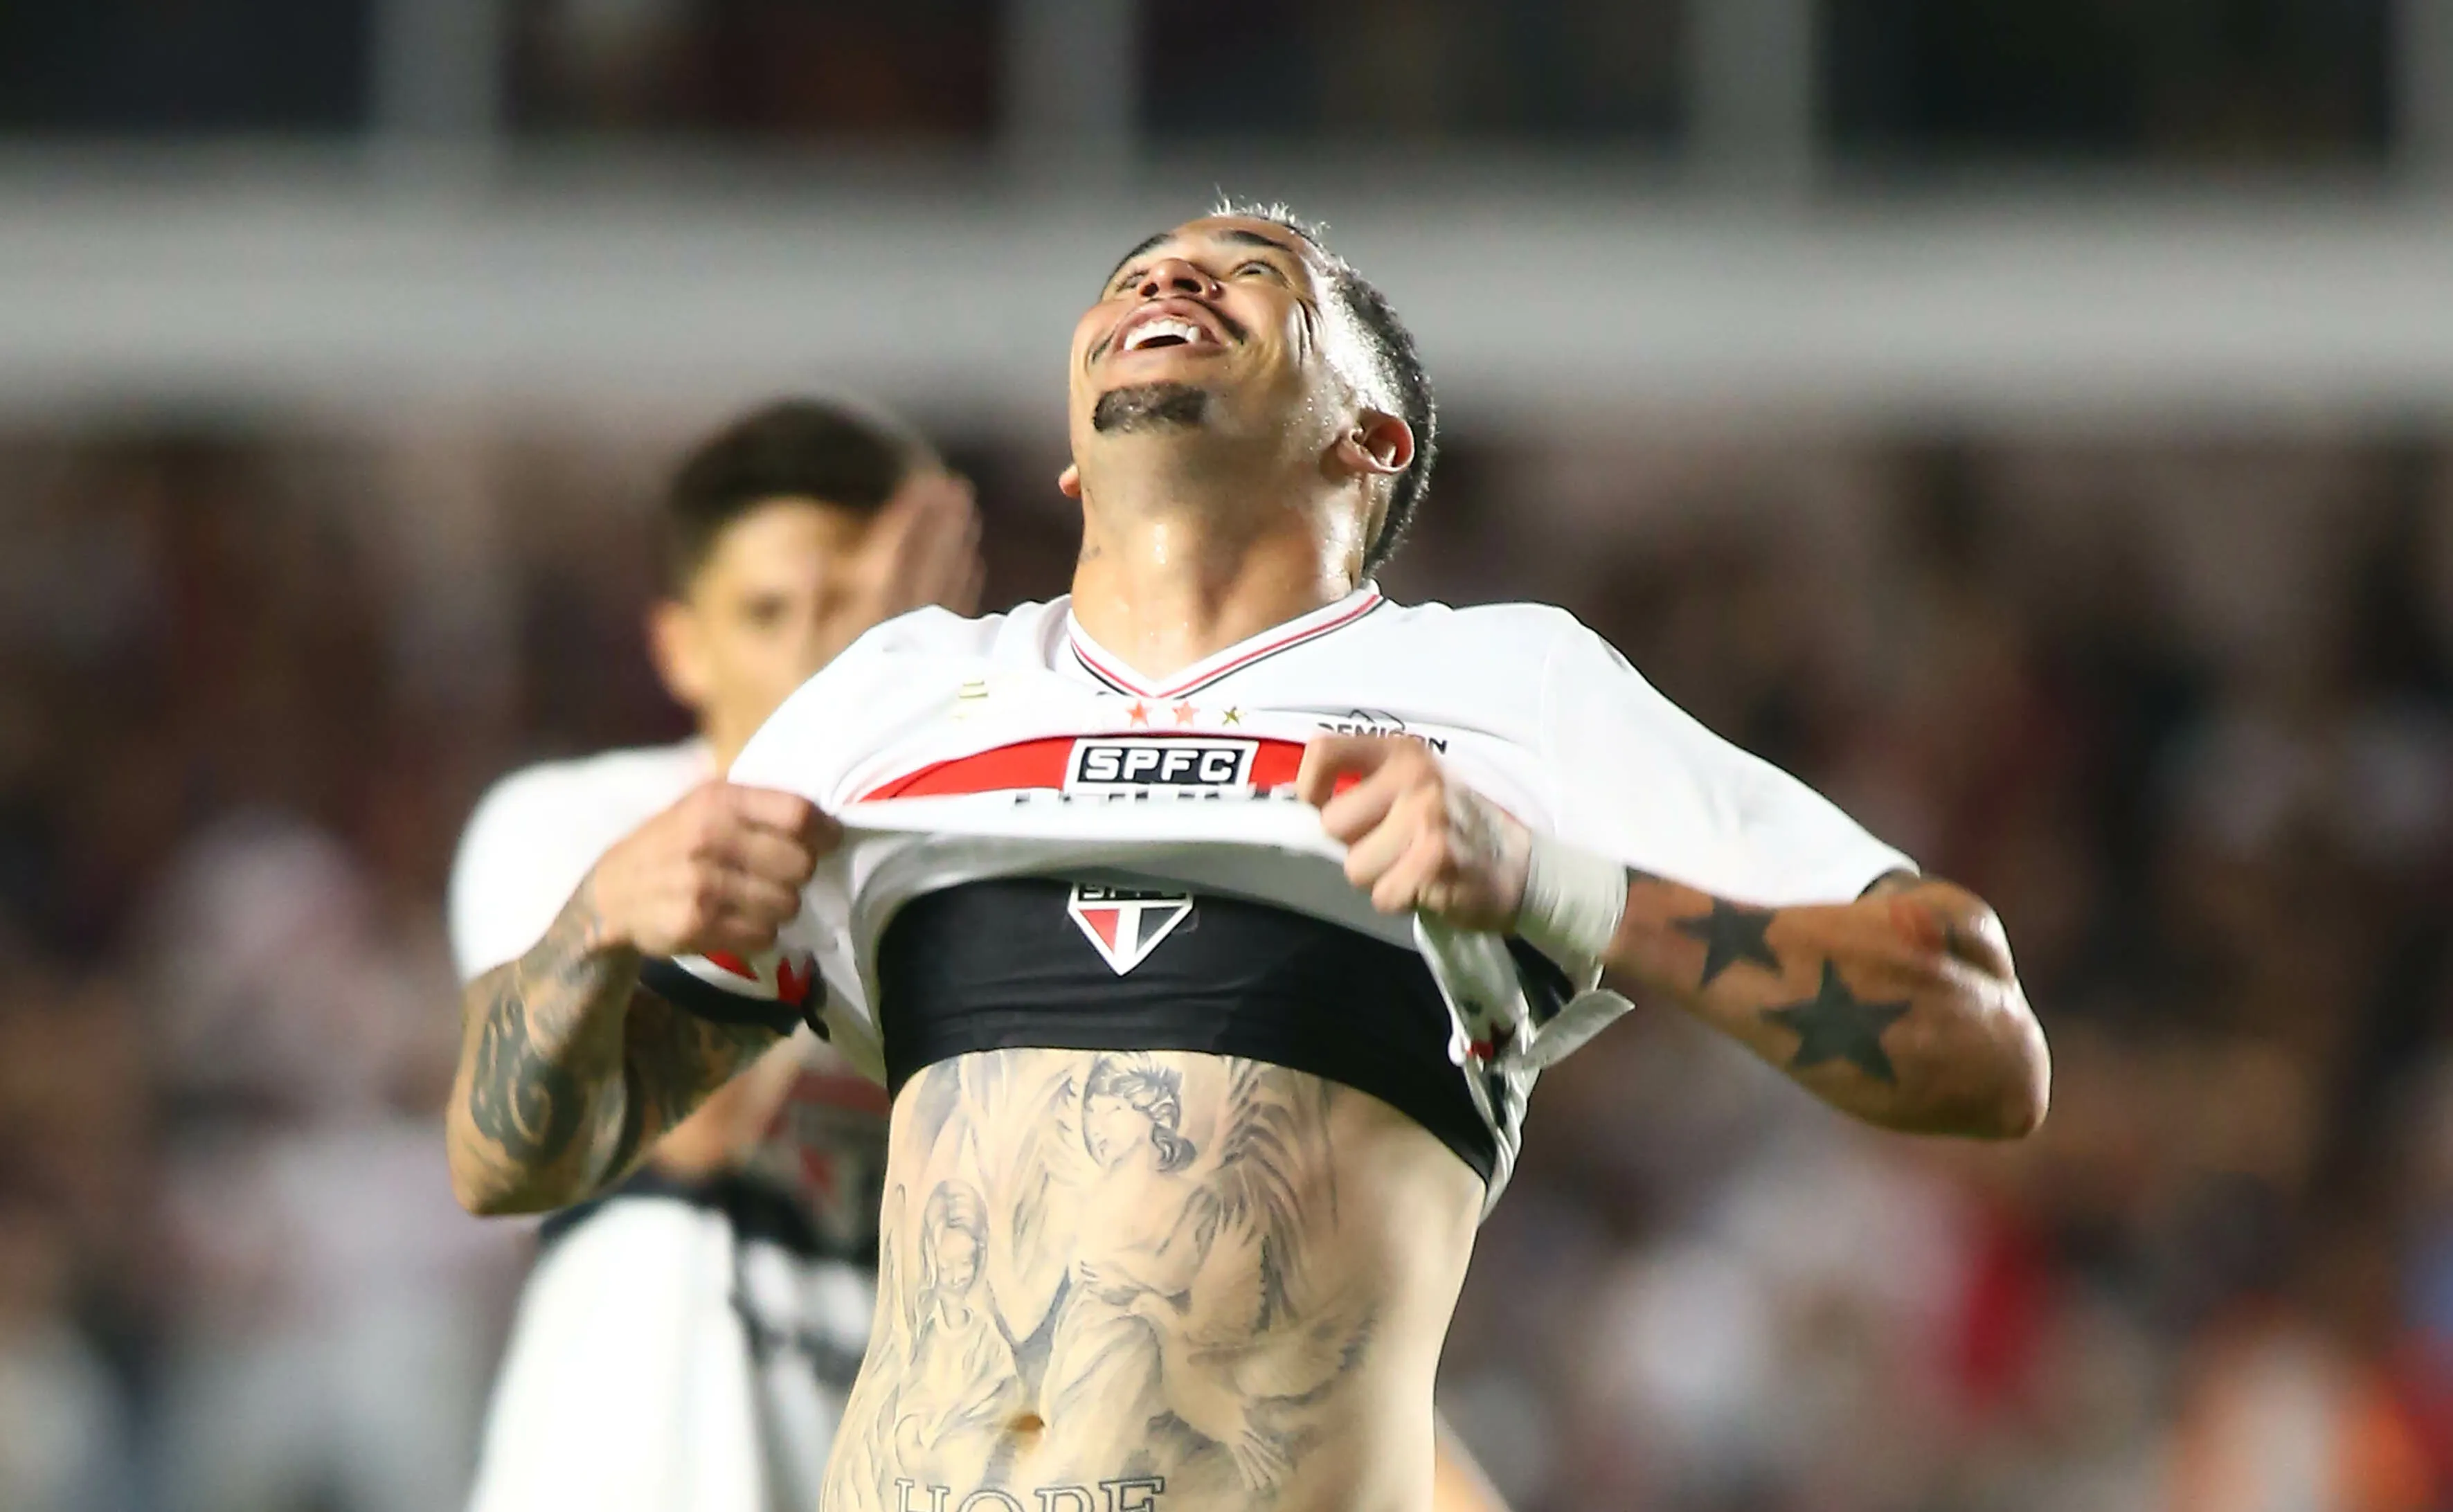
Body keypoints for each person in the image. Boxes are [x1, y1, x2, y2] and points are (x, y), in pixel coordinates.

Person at [445, 204, 2051, 1512]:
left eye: (1249, 273)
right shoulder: (890, 700)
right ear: (1073, 458)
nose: (1169, 274)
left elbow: (1980, 1037)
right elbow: (508, 1158)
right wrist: (597, 925)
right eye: (1137, 272)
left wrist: (1553, 891)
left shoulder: (1513, 692)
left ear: (1374, 435)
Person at [446, 399, 983, 1512]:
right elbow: (684, 1135)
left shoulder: (991, 864)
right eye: (768, 611)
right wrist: (862, 741)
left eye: (854, 609)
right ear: (680, 646)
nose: (818, 649)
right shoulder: (588, 825)